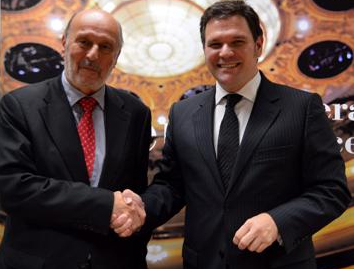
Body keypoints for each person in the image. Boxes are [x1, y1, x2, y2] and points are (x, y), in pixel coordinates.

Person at [119, 1, 352, 268]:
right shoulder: (183, 112)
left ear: (258, 44)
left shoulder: (302, 107)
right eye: (215, 44)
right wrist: (140, 208)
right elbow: (172, 185)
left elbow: (331, 191)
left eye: (237, 42)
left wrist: (278, 222)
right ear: (204, 49)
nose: (225, 52)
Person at [0, 9, 149, 269]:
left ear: (116, 58)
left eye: (105, 47)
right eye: (84, 42)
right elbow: (11, 186)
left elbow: (135, 190)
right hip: (40, 260)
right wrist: (103, 204)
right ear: (64, 43)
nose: (93, 55)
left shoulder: (136, 113)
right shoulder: (18, 106)